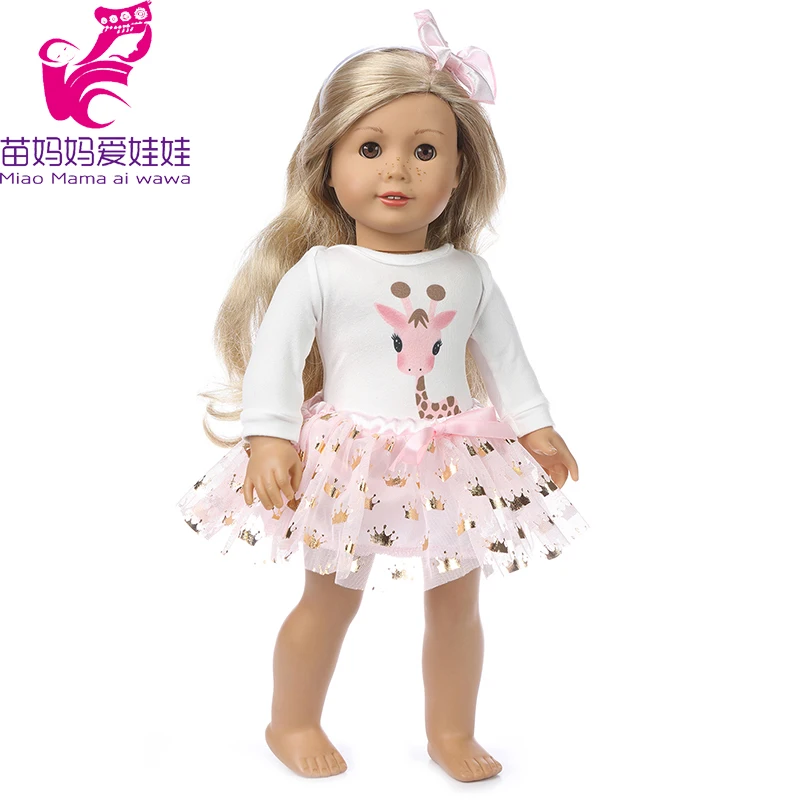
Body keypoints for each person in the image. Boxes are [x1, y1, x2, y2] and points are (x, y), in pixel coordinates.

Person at [177, 8, 589, 783]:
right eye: (370, 148)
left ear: (458, 171)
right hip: (351, 461)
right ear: (328, 165)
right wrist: (271, 437)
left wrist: (536, 429)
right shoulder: (324, 271)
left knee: (458, 604)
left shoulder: (468, 274)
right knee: (332, 598)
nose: (397, 170)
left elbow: (508, 362)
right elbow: (276, 360)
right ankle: (291, 720)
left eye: (424, 151)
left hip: (452, 458)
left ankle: (450, 732)